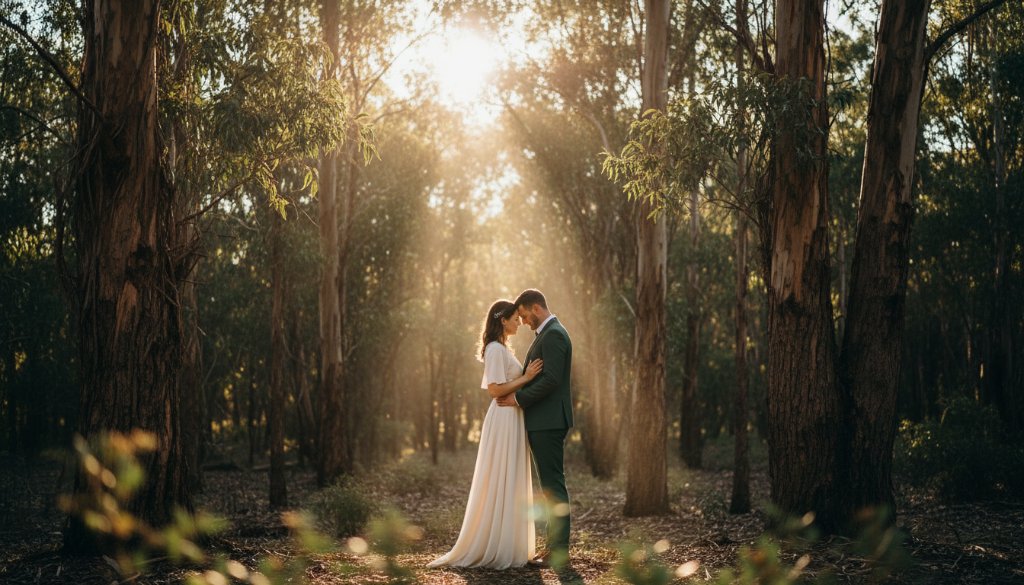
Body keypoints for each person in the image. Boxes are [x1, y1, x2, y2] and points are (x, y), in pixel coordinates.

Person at [427, 299, 541, 569]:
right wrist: (526, 378)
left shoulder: (501, 348)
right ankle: (495, 544)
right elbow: (494, 389)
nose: (519, 323)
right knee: (501, 474)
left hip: (512, 416)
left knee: (510, 476)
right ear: (503, 320)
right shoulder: (494, 349)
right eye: (515, 319)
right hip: (503, 417)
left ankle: (510, 542)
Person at [497, 288, 574, 567]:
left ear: (536, 308)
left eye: (524, 315)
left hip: (549, 421)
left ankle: (559, 552)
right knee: (549, 485)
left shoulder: (553, 335)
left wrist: (518, 398)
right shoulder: (547, 333)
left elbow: (551, 379)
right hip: (544, 420)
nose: (523, 321)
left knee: (553, 485)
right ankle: (553, 546)